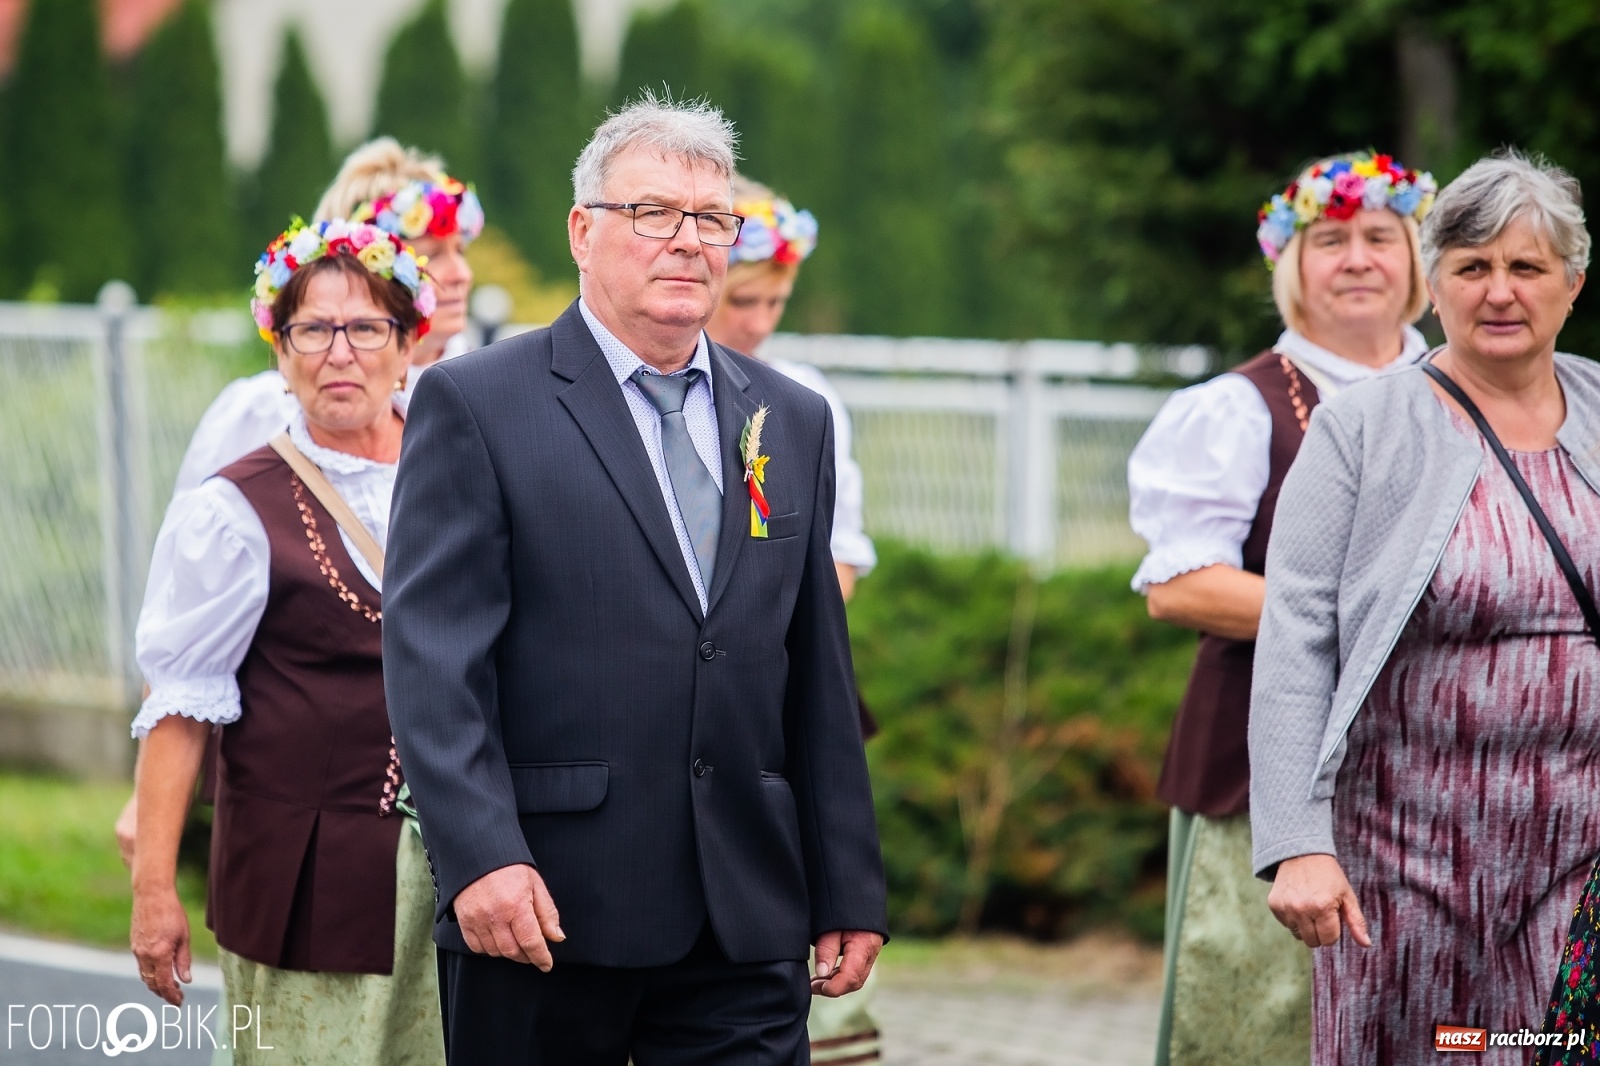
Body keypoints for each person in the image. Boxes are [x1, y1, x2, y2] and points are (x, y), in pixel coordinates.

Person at [383, 94, 889, 1065]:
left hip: (744, 918)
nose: (687, 242)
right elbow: (434, 663)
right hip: (543, 909)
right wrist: (479, 855)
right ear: (583, 230)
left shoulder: (792, 419)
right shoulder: (477, 403)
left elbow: (817, 668)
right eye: (652, 212)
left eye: (711, 220)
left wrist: (847, 884)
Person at [1251, 150, 1595, 1064]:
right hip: (1404, 857)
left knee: (1544, 1050)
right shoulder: (1361, 428)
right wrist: (1297, 842)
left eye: (1526, 267)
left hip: (1580, 851)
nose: (1501, 292)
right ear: (1432, 285)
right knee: (1436, 1050)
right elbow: (1295, 644)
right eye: (1472, 267)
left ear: (1573, 281)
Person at [1127, 150, 1435, 1066]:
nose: (1356, 257)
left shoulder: (1470, 399)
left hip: (1439, 766)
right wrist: (1365, 620)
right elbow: (1181, 585)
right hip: (1264, 772)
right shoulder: (1237, 409)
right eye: (1329, 239)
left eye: (1381, 237)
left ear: (1417, 261)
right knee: (1263, 1027)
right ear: (1290, 266)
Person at [114, 138, 484, 864]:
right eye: (432, 250)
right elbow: (190, 593)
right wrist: (148, 797)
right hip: (301, 792)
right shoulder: (260, 411)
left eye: (459, 248)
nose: (459, 271)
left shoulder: (484, 390)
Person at [128, 219, 443, 1065]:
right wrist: (153, 889)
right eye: (313, 328)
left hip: (460, 870)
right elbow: (182, 707)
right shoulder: (233, 510)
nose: (340, 352)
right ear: (281, 351)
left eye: (367, 327)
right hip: (305, 875)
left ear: (407, 346)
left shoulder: (460, 469)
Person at [705, 174, 881, 1065]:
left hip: (766, 671)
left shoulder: (800, 400)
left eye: (776, 300)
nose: (759, 321)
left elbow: (836, 552)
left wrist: (777, 623)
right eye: (744, 299)